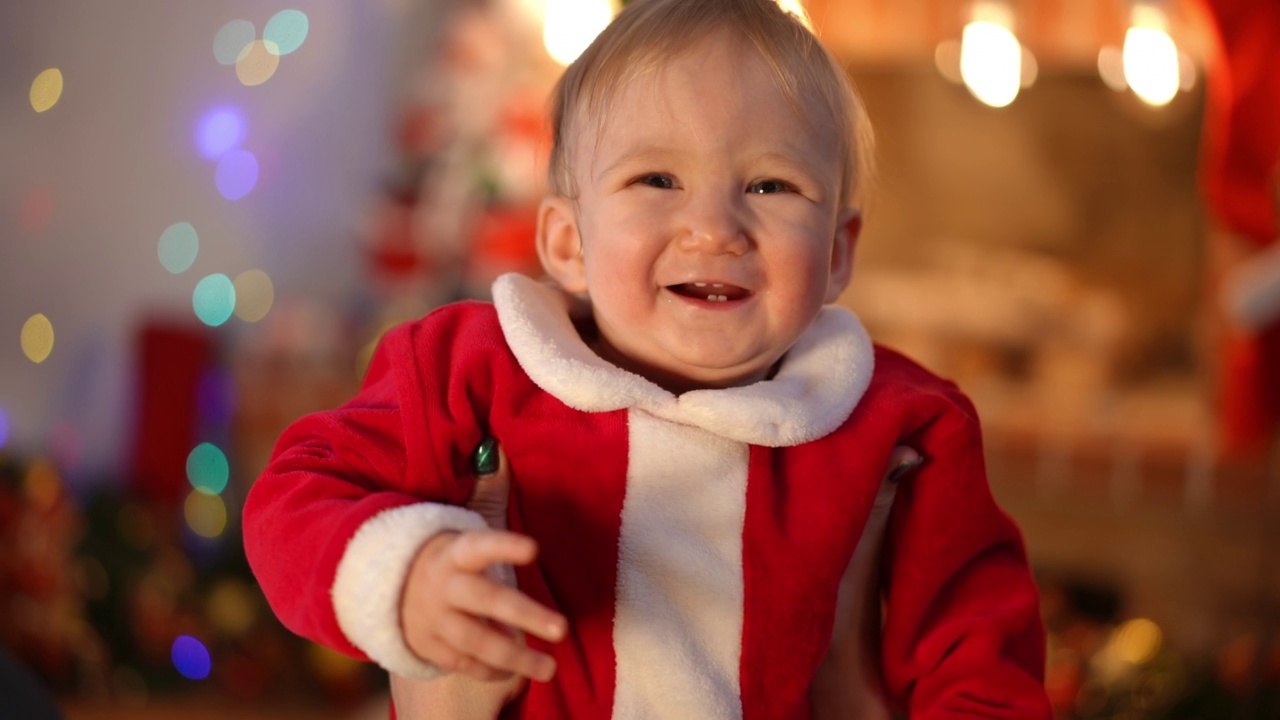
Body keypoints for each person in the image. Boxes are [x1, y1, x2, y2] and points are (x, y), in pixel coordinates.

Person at [242, 0, 1052, 717]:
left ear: (839, 253)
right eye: (657, 178)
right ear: (568, 242)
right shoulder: (469, 370)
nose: (714, 229)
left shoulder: (902, 424)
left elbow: (979, 658)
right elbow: (293, 498)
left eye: (770, 186)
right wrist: (405, 575)